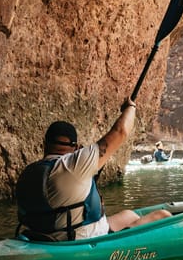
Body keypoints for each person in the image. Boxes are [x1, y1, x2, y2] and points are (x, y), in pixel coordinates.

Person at [14, 99, 171, 241]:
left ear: (45, 144)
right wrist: (131, 107)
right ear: (75, 147)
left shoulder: (27, 174)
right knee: (162, 216)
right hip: (81, 241)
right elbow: (120, 131)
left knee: (129, 215)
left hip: (47, 237)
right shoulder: (74, 164)